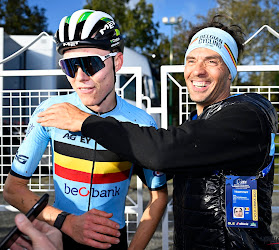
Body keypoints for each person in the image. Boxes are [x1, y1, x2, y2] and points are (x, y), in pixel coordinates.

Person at [36, 15, 278, 249]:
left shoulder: (248, 115)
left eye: (212, 61)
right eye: (191, 60)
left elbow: (162, 152)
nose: (198, 70)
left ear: (230, 71)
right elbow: (159, 164)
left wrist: (85, 122)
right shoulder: (196, 123)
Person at [3, 9, 168, 250]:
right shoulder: (50, 111)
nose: (81, 77)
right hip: (59, 237)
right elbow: (12, 189)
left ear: (118, 62)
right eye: (71, 66)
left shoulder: (141, 122)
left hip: (112, 241)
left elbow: (159, 196)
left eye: (91, 64)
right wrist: (67, 223)